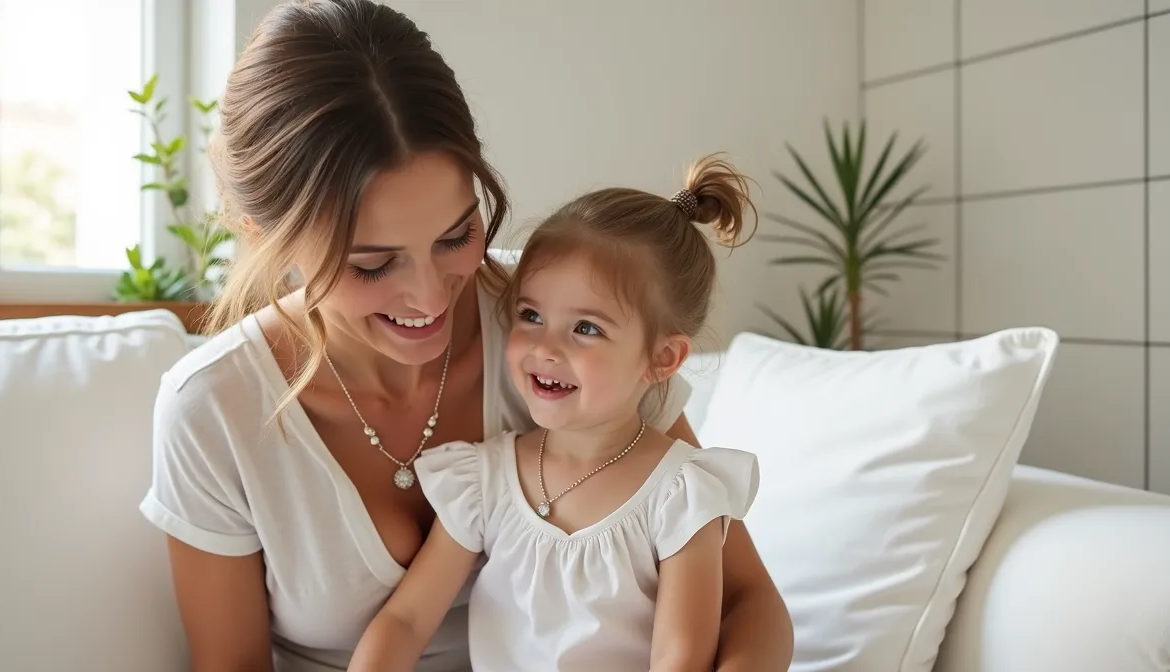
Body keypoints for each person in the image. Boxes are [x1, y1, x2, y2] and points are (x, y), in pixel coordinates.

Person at [138, 1, 792, 670]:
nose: (429, 298)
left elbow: (749, 602)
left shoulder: (559, 325)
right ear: (258, 229)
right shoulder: (213, 408)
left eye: (456, 236)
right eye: (371, 262)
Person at [346, 155, 762, 672]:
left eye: (586, 328)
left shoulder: (681, 494)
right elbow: (405, 622)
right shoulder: (484, 479)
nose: (545, 347)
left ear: (661, 359)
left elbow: (680, 657)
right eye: (531, 315)